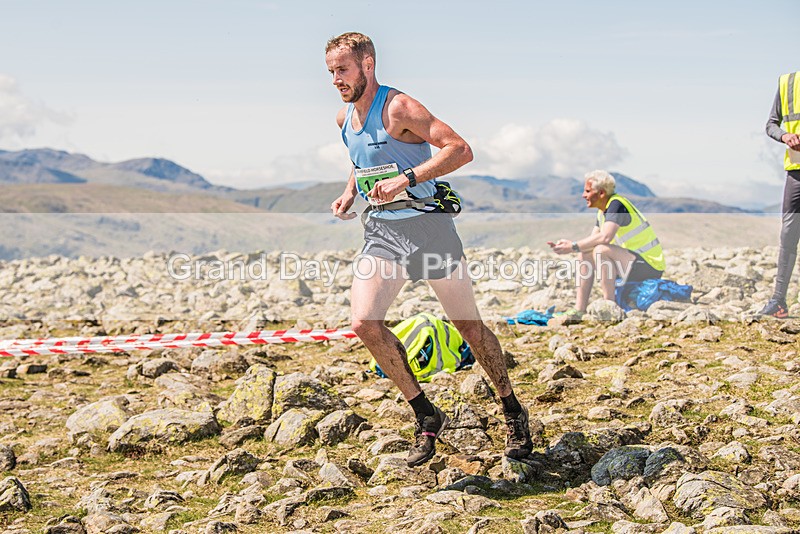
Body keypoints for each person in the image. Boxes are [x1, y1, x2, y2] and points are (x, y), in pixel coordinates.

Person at [325, 32, 532, 467]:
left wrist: (408, 179)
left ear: (368, 65)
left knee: (470, 330)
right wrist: (350, 194)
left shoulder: (399, 107)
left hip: (431, 231)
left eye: (342, 70)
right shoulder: (345, 119)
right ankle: (425, 413)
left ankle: (511, 408)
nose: (336, 80)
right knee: (364, 323)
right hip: (384, 232)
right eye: (330, 73)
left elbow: (460, 149)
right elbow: (360, 162)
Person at [548, 170, 665, 316]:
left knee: (601, 250)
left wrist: (572, 246)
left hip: (649, 266)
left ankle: (609, 307)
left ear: (601, 193)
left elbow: (605, 238)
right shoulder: (603, 211)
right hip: (630, 262)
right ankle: (579, 309)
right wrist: (569, 245)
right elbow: (591, 241)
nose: (583, 195)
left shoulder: (616, 205)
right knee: (585, 254)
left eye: (587, 191)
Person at [758, 71, 800, 319]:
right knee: (788, 234)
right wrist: (785, 135)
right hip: (796, 173)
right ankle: (778, 301)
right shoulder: (788, 83)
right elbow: (771, 124)